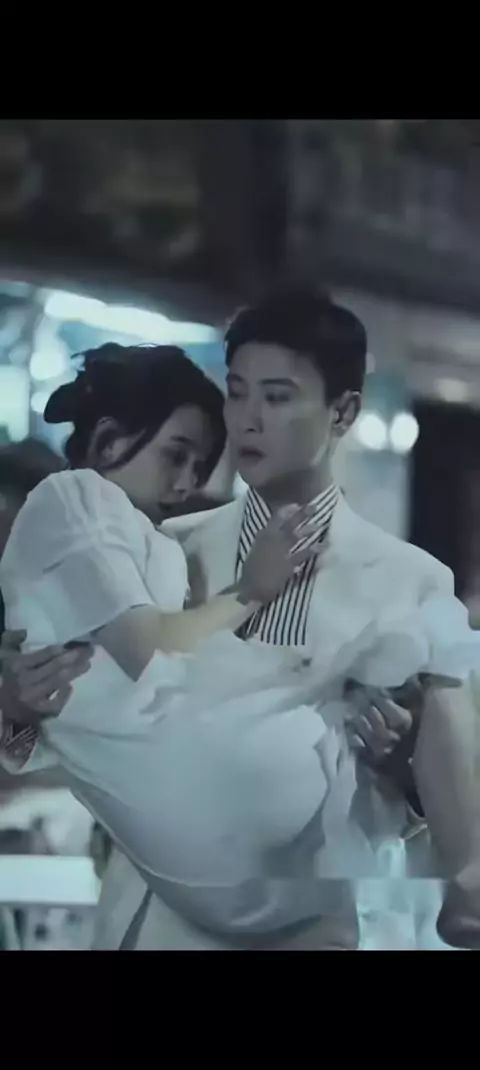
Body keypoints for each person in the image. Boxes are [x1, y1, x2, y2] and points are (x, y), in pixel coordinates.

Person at [0, 290, 479, 950]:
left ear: (342, 412)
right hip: (152, 921)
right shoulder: (160, 543)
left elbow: (440, 780)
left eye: (277, 398)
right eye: (237, 393)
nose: (248, 420)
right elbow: (87, 715)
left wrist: (404, 768)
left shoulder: (408, 581)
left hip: (302, 926)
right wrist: (16, 705)